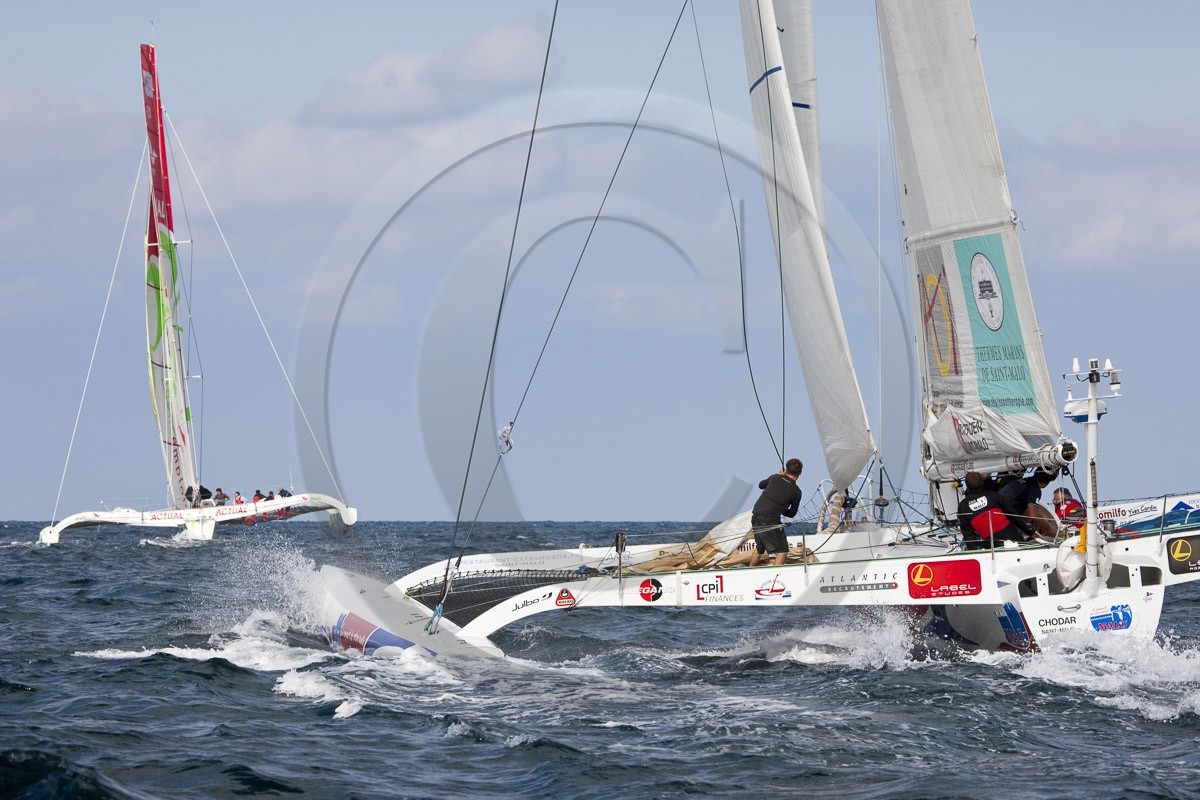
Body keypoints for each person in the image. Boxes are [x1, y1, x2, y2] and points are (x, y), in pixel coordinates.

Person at [750, 458, 803, 567]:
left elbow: (761, 485)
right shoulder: (797, 492)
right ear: (800, 473)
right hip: (770, 520)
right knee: (783, 550)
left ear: (786, 469)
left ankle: (749, 570)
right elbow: (792, 514)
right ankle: (775, 574)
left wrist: (780, 476)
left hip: (755, 515)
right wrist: (782, 508)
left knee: (760, 548)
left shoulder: (775, 477)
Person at [957, 472, 1027, 549]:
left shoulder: (962, 506)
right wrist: (1030, 531)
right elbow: (1013, 515)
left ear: (967, 485)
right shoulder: (993, 496)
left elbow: (968, 534)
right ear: (982, 482)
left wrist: (972, 551)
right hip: (1012, 537)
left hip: (992, 545)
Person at [998, 470, 1057, 538]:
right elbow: (1033, 514)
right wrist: (1049, 530)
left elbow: (1024, 510)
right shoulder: (1034, 489)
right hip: (1003, 520)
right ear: (1048, 482)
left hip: (995, 514)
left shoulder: (1023, 481)